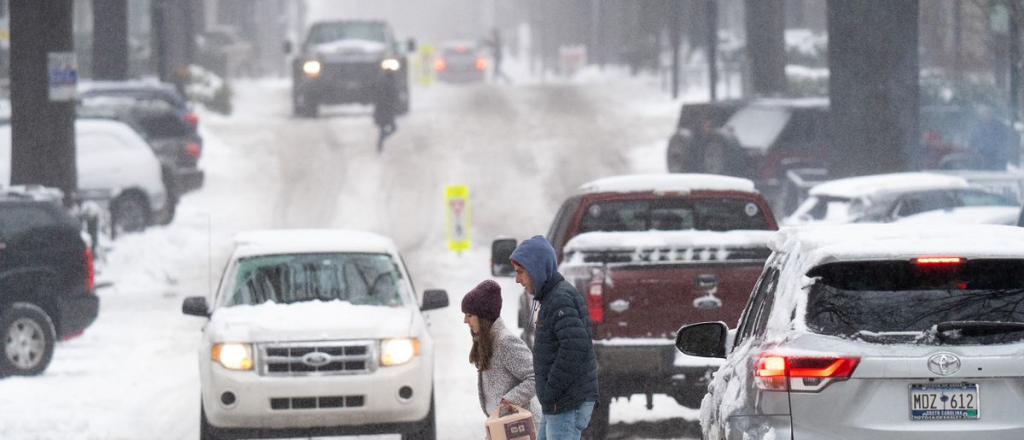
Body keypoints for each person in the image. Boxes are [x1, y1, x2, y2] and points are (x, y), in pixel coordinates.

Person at [510, 236, 599, 440]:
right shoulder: (552, 298)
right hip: (559, 403)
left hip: (566, 403)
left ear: (536, 269)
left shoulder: (559, 300)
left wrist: (551, 389)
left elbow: (575, 348)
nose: (517, 280)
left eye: (520, 272)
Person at [462, 279, 543, 429]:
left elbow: (536, 376)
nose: (465, 320)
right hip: (504, 428)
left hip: (522, 430)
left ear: (482, 316)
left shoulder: (505, 342)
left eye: (469, 315)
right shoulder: (488, 342)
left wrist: (509, 400)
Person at [968, 106, 1015, 171]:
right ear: (982, 115)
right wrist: (978, 152)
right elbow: (972, 142)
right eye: (985, 113)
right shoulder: (977, 127)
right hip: (982, 160)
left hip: (997, 160)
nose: (987, 115)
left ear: (992, 114)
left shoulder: (1000, 127)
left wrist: (1000, 154)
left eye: (989, 113)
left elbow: (1004, 142)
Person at [373, 70, 400, 153]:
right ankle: (380, 144)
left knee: (384, 129)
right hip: (386, 110)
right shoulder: (388, 83)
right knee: (390, 128)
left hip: (384, 110)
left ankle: (380, 144)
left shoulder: (383, 82)